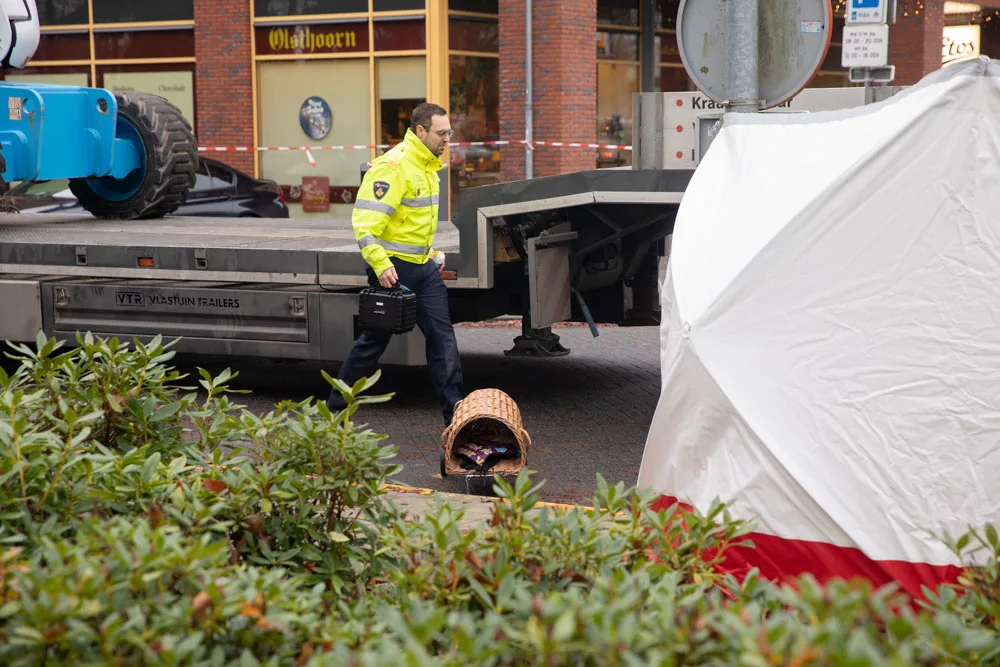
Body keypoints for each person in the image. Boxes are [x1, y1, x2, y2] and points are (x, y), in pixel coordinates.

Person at [327, 102, 465, 426]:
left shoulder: (429, 166)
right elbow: (365, 224)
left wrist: (430, 256)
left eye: (449, 133)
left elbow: (410, 224)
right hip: (393, 272)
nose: (448, 139)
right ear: (421, 131)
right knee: (372, 344)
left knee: (443, 339)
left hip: (423, 271)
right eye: (441, 133)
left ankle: (456, 417)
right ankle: (332, 415)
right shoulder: (393, 166)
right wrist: (380, 264)